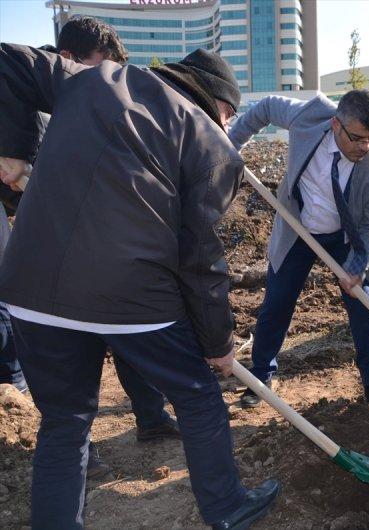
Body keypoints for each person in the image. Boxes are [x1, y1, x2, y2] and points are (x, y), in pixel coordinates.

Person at [0, 44, 279, 529]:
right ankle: (228, 506)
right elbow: (201, 259)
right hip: (129, 296)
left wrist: (14, 149)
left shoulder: (90, 79)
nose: (230, 125)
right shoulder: (214, 146)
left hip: (31, 289)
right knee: (197, 396)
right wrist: (217, 345)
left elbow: (7, 58)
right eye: (231, 115)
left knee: (64, 422)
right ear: (219, 104)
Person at [1, 18, 181, 483]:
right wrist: (15, 153)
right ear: (77, 59)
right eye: (108, 70)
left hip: (81, 232)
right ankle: (80, 447)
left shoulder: (79, 93)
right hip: (39, 240)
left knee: (121, 318)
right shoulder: (40, 80)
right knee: (61, 344)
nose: (113, 85)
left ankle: (151, 416)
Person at [228, 90, 369, 410]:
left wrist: (357, 266)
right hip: (298, 229)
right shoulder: (309, 115)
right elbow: (264, 107)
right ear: (336, 124)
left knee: (363, 305)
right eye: (358, 138)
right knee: (276, 303)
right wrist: (232, 143)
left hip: (347, 238)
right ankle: (260, 377)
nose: (365, 147)